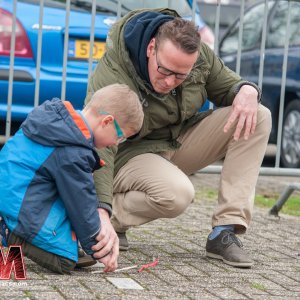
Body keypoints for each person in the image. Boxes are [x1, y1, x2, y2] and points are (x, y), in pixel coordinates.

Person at [85, 8, 271, 268]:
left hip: (176, 141)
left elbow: (229, 85)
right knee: (177, 194)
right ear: (151, 48)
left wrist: (247, 90)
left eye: (181, 75)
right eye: (165, 70)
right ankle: (108, 221)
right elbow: (100, 144)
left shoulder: (198, 55)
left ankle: (224, 232)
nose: (171, 81)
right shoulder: (115, 70)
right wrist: (99, 211)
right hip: (129, 156)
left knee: (257, 115)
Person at [0, 84, 144, 274]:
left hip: (15, 192)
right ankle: (8, 234)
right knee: (65, 261)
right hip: (17, 202)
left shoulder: (60, 124)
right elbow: (81, 203)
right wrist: (97, 248)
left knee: (69, 244)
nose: (115, 144)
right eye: (120, 137)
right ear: (107, 121)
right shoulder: (73, 150)